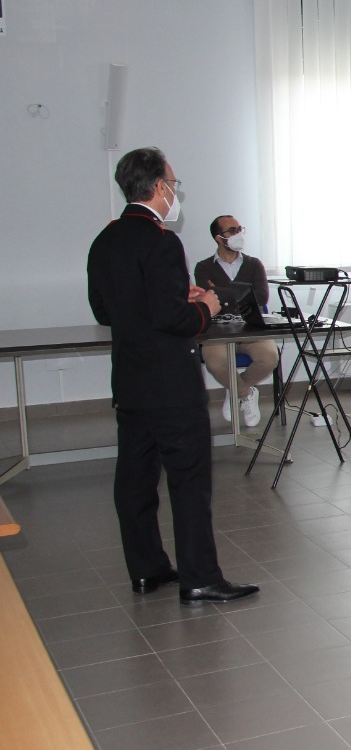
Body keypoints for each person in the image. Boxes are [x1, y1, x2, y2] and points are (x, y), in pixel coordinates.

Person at [86, 147, 258, 604]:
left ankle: (146, 569)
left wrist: (176, 295)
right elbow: (175, 321)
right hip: (170, 383)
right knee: (188, 481)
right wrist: (205, 305)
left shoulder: (105, 239)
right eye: (174, 184)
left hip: (130, 380)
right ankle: (200, 577)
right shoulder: (161, 241)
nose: (174, 192)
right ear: (159, 187)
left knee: (136, 480)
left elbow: (106, 310)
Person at [194, 214, 278, 429]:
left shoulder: (254, 264)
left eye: (239, 229)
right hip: (217, 332)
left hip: (250, 328)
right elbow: (207, 298)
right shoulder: (203, 267)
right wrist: (241, 294)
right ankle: (245, 392)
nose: (237, 234)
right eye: (231, 231)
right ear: (218, 237)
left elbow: (261, 298)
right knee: (214, 361)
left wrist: (221, 293)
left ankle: (234, 390)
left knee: (269, 357)